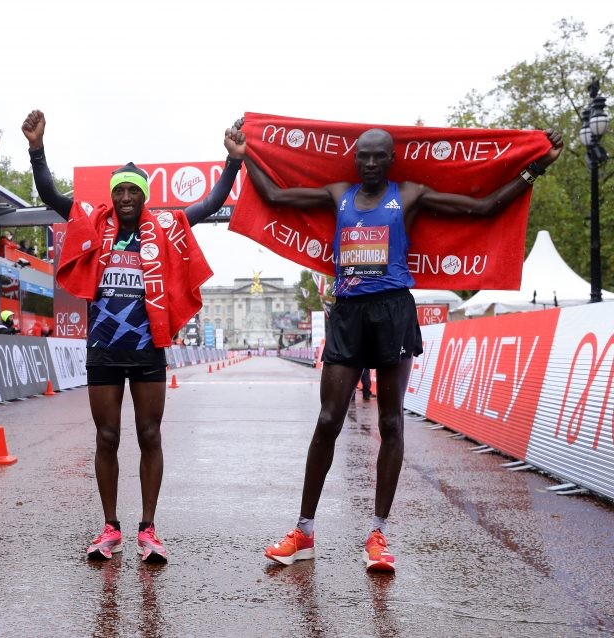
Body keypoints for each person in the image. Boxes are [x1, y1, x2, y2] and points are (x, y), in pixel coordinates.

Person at [233, 117, 563, 572]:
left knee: (391, 422)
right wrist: (244, 156)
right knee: (328, 419)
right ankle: (303, 531)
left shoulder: (408, 194)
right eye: (363, 157)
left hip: (392, 311)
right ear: (355, 160)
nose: (370, 163)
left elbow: (484, 208)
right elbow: (273, 195)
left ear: (391, 159)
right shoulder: (338, 193)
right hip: (349, 313)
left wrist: (535, 168)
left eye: (378, 157)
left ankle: (378, 534)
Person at [22, 108, 245, 563]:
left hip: (147, 350)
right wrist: (37, 149)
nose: (125, 198)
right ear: (112, 196)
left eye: (133, 191)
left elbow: (210, 203)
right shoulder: (93, 221)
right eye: (119, 191)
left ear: (143, 196)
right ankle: (110, 527)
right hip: (103, 349)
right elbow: (49, 194)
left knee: (149, 436)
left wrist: (233, 162)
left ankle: (148, 529)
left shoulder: (164, 226)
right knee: (106, 437)